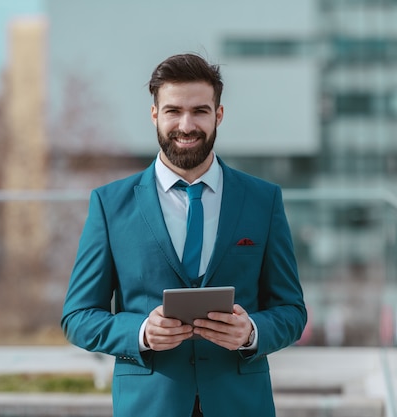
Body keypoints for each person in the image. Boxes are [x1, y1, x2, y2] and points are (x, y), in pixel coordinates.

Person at [61, 53, 307, 417]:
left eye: (200, 111)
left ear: (218, 116)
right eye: (174, 111)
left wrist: (251, 331)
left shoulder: (263, 200)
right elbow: (78, 316)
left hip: (241, 404)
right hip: (148, 406)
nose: (186, 125)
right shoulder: (110, 205)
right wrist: (141, 332)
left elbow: (292, 311)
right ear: (155, 115)